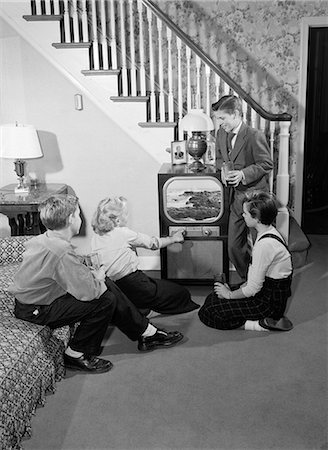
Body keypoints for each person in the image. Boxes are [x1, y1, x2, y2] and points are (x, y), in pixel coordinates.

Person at [10, 195, 184, 375]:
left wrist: (95, 274)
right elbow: (91, 293)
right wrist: (98, 278)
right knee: (105, 299)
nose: (80, 219)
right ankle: (76, 353)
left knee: (105, 284)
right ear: (71, 219)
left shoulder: (46, 239)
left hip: (36, 302)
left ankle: (146, 333)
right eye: (78, 214)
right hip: (37, 310)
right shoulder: (60, 252)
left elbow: (59, 268)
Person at [198, 191, 293, 332]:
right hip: (267, 290)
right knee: (213, 297)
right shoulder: (269, 232)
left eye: (246, 214)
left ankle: (260, 324)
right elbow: (255, 279)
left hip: (268, 304)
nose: (243, 215)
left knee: (209, 312)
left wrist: (229, 295)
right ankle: (256, 318)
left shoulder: (264, 245)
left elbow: (253, 289)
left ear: (256, 218)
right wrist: (229, 293)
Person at [91, 196, 199, 316]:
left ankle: (136, 308)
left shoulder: (95, 237)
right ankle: (145, 310)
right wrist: (173, 238)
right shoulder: (124, 233)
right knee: (181, 293)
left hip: (114, 288)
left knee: (152, 286)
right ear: (117, 220)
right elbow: (153, 243)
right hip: (134, 283)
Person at [212, 95, 273, 282]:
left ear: (236, 114)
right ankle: (249, 279)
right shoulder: (220, 134)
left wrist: (243, 174)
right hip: (236, 198)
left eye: (222, 118)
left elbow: (266, 163)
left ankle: (266, 281)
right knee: (233, 246)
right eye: (217, 118)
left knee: (261, 245)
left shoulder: (254, 135)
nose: (219, 123)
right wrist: (222, 170)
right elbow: (220, 158)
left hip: (256, 198)